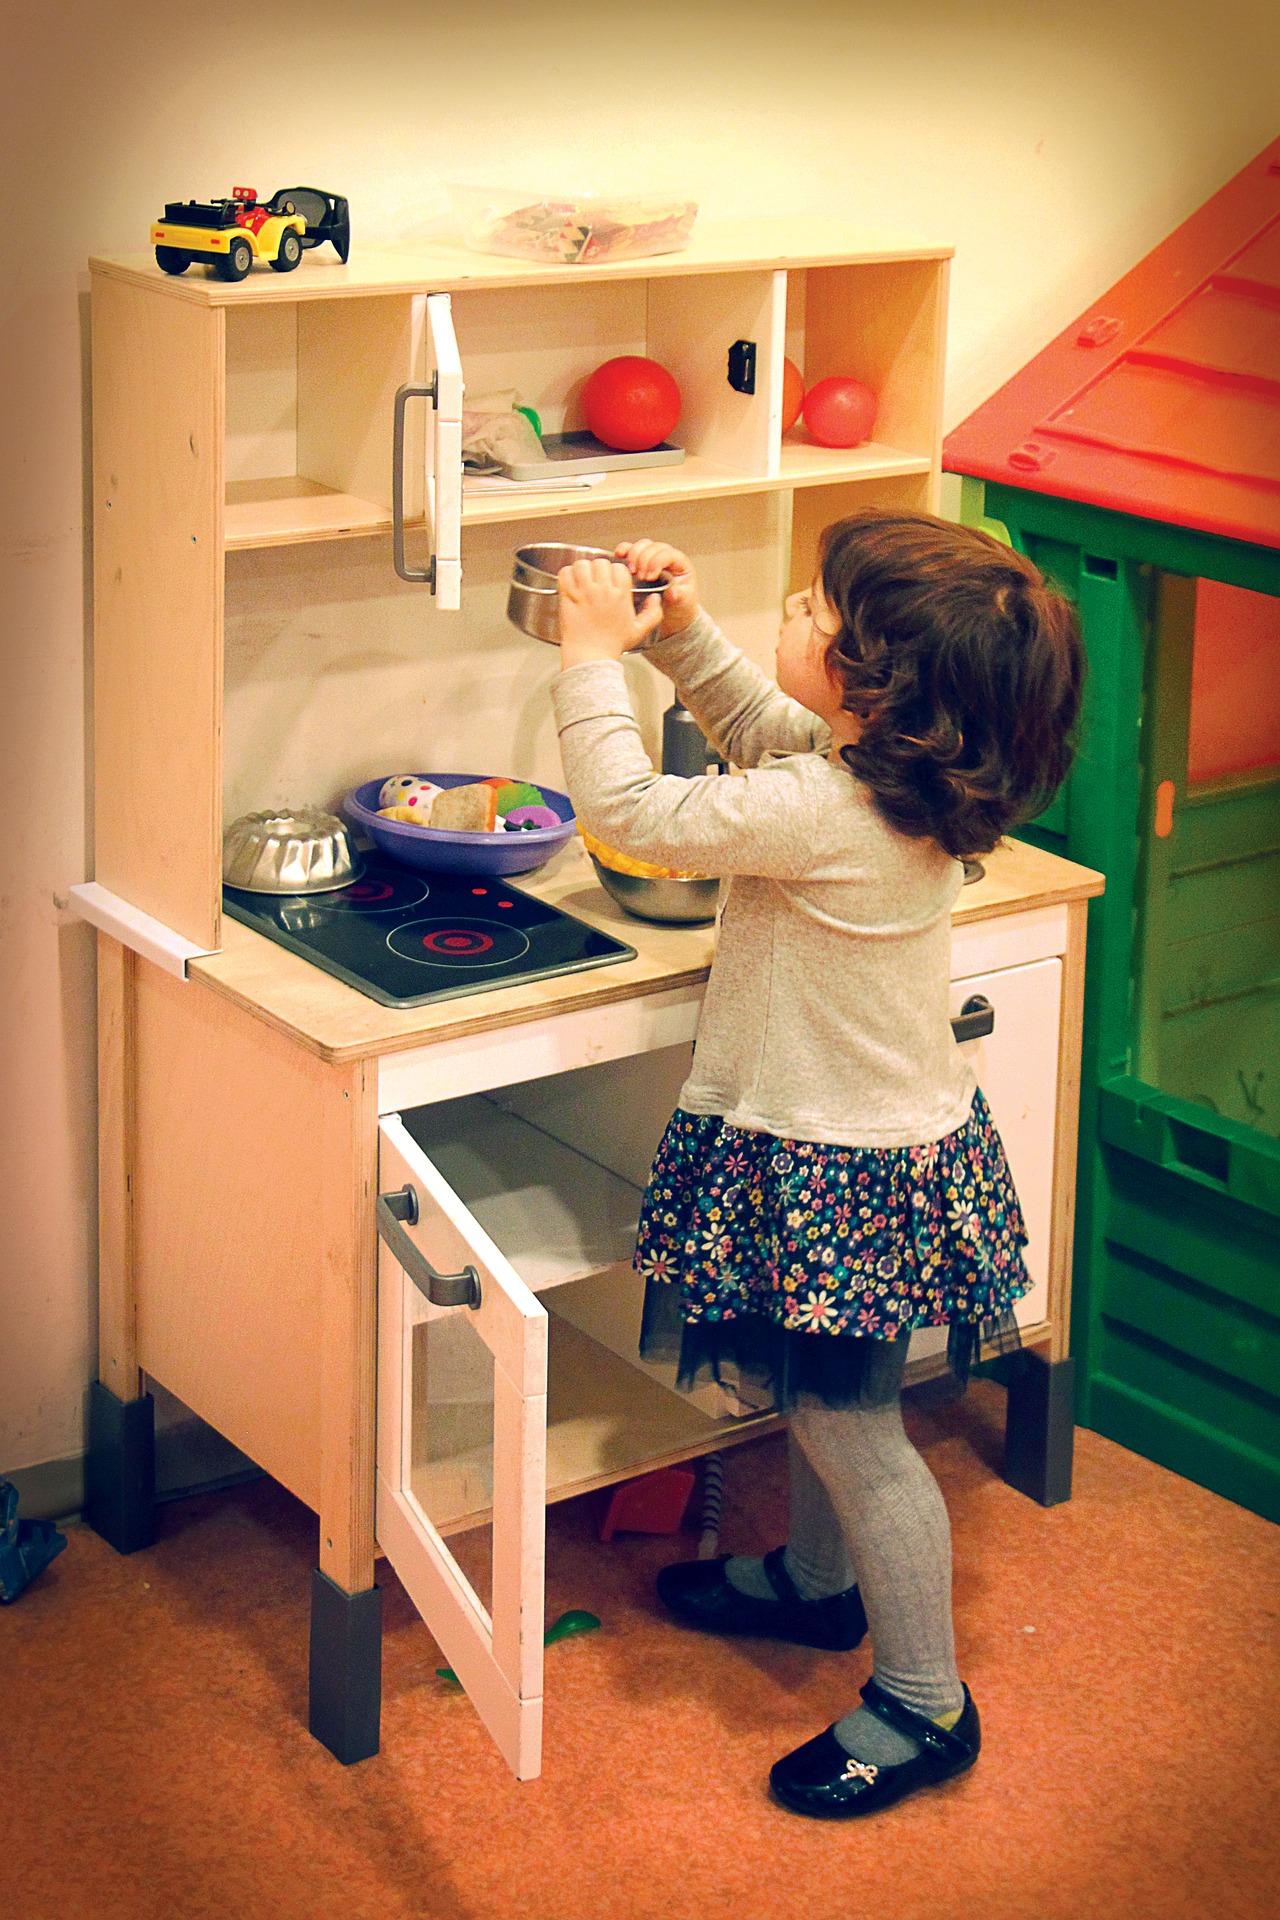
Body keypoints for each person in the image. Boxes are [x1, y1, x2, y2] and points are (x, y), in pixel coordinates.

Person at [551, 509, 1083, 1818]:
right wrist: (682, 640)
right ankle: (816, 1586)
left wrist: (585, 659)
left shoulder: (826, 806)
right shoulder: (887, 782)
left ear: (884, 689)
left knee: (854, 1428)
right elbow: (766, 730)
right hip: (873, 1159)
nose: (794, 607)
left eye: (819, 615)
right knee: (825, 1405)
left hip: (836, 1168)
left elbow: (630, 808)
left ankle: (923, 1703)